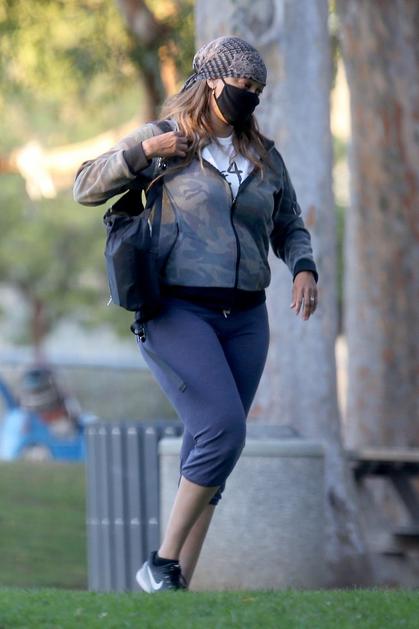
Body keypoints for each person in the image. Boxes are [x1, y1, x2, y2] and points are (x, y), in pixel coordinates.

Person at [73, 36, 319, 593]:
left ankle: (176, 584)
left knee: (216, 447)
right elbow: (85, 186)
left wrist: (304, 267)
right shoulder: (166, 140)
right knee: (223, 428)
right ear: (211, 82)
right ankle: (161, 562)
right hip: (176, 310)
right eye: (242, 85)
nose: (250, 95)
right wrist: (143, 153)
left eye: (257, 88)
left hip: (247, 318)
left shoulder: (264, 155)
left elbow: (289, 223)